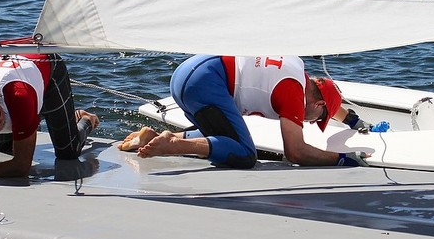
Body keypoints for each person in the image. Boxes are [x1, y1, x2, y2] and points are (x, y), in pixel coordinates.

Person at [119, 55, 371, 168]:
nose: (312, 122)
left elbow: (329, 104)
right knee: (244, 154)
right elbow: (296, 152)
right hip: (206, 81)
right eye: (318, 120)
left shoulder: (299, 73)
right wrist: (343, 159)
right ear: (317, 105)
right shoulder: (293, 92)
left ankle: (152, 137)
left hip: (188, 73)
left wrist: (353, 122)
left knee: (221, 137)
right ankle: (173, 144)